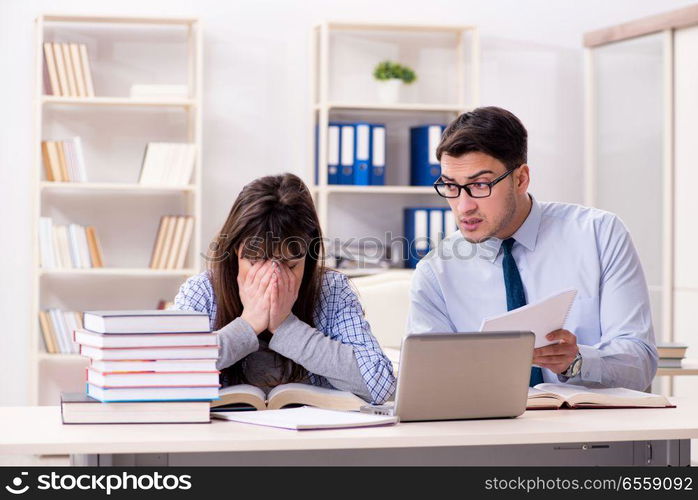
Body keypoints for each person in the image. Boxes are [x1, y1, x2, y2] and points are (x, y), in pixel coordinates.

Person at [407, 106, 657, 391]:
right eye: (451, 186)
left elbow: (641, 365)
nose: (464, 206)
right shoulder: (435, 272)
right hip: (486, 432)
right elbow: (424, 382)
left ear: (521, 179)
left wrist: (577, 362)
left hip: (587, 429)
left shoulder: (599, 235)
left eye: (480, 185)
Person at [171, 173, 395, 404]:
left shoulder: (333, 290)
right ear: (234, 252)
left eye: (289, 264)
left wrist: (286, 326)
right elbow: (166, 375)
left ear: (308, 257)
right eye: (256, 261)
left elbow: (379, 385)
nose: (273, 278)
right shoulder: (202, 291)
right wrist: (247, 326)